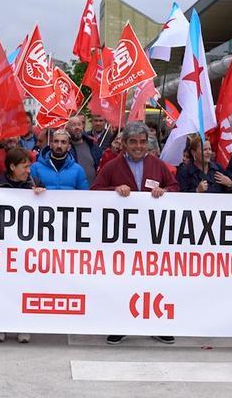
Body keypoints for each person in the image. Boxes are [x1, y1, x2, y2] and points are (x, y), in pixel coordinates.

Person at [91, 121, 179, 345]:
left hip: (152, 237)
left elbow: (176, 188)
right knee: (122, 281)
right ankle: (119, 325)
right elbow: (93, 192)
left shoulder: (159, 165)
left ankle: (157, 325)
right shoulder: (112, 166)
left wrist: (165, 190)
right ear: (124, 145)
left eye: (142, 142)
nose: (138, 146)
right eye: (133, 142)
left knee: (154, 280)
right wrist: (114, 190)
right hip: (122, 238)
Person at [0, 147, 44, 343]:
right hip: (2, 246)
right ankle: (0, 325)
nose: (28, 171)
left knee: (23, 286)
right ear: (12, 166)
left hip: (25, 247)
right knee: (1, 286)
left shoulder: (34, 183)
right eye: (24, 167)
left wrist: (42, 194)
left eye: (29, 166)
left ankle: (22, 325)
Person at [65, 115, 102, 186]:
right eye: (73, 125)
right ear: (67, 129)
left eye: (79, 124)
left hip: (93, 191)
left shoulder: (93, 146)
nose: (77, 127)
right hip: (74, 191)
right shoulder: (65, 149)